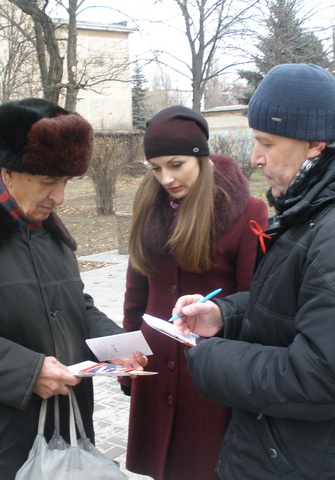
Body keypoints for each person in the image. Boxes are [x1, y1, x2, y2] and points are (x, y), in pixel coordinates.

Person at [171, 64, 335, 479]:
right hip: (285, 454)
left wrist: (208, 358)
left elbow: (320, 380)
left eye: (266, 143)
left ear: (314, 144)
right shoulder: (316, 205)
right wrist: (226, 316)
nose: (254, 158)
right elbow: (298, 306)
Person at [0, 98, 147, 479]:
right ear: (9, 171)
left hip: (64, 430)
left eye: (65, 182)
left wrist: (114, 344)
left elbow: (73, 305)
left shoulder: (50, 233)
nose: (59, 197)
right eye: (48, 182)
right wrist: (28, 372)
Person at [119, 106, 269, 480]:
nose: (165, 178)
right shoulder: (148, 207)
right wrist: (126, 358)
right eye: (155, 168)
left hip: (209, 380)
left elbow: (257, 302)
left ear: (201, 157)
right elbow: (135, 295)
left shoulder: (246, 212)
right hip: (153, 370)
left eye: (176, 164)